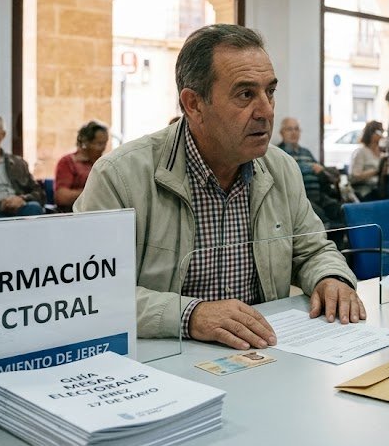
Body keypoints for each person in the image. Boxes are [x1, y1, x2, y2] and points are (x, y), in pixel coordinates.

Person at [75, 24, 363, 348]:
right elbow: (90, 293)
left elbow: (312, 251)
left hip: (265, 355)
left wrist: (330, 278)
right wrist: (191, 315)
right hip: (164, 360)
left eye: (270, 91)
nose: (266, 111)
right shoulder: (120, 177)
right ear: (194, 104)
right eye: (245, 95)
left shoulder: (281, 168)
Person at [277, 117, 343, 228]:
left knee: (340, 210)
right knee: (321, 217)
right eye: (289, 129)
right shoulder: (279, 153)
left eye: (296, 129)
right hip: (299, 199)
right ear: (281, 133)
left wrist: (322, 171)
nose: (294, 132)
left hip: (318, 196)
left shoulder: (306, 152)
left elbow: (320, 169)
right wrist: (310, 168)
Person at [54, 120, 108, 212]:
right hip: (75, 213)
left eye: (105, 143)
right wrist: (93, 193)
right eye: (99, 144)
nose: (103, 148)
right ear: (86, 143)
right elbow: (62, 197)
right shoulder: (68, 162)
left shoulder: (104, 163)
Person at [349, 120, 384, 201]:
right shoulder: (361, 152)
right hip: (365, 189)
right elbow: (355, 175)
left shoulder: (382, 152)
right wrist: (377, 171)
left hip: (379, 188)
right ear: (371, 134)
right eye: (379, 132)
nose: (381, 135)